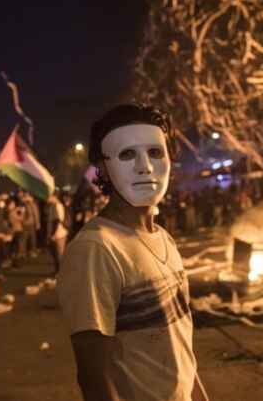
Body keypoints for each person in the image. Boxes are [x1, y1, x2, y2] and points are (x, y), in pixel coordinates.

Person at [57, 103, 208, 401]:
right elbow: (92, 375)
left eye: (155, 152)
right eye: (127, 154)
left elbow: (178, 349)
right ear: (102, 167)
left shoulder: (164, 238)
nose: (145, 166)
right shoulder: (96, 249)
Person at [44, 194, 68, 278]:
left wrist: (53, 234)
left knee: (59, 254)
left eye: (48, 196)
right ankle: (57, 270)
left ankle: (61, 273)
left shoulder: (58, 206)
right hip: (55, 233)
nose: (46, 198)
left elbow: (58, 220)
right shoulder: (52, 206)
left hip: (59, 233)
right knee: (54, 253)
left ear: (54, 197)